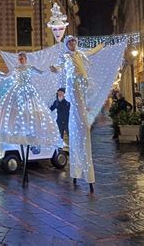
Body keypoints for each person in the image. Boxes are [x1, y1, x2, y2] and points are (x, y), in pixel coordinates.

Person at [50, 35, 103, 193]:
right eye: (70, 42)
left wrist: (101, 46)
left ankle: (83, 117)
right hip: (73, 83)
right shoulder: (66, 56)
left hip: (82, 82)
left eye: (74, 42)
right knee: (78, 104)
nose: (73, 44)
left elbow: (92, 51)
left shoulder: (80, 53)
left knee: (83, 102)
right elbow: (60, 66)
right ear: (67, 44)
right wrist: (55, 68)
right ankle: (82, 119)